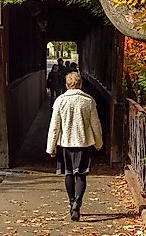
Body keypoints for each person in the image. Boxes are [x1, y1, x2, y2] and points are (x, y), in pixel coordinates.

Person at [46, 72, 103, 221]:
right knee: (81, 174)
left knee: (69, 174)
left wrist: (51, 146)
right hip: (84, 143)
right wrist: (98, 142)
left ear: (66, 85)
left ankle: (72, 201)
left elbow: (54, 126)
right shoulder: (88, 101)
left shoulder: (60, 101)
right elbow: (95, 124)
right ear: (81, 84)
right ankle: (78, 202)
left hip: (65, 143)